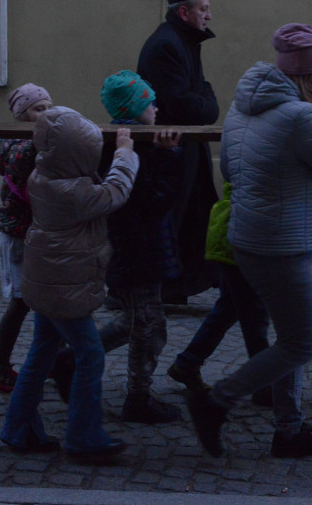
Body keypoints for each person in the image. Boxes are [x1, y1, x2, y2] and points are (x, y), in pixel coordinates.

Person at [186, 23, 312, 458]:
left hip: (248, 235)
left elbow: (231, 171)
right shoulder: (302, 116)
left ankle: (290, 429)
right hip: (280, 243)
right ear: (305, 76)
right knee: (300, 343)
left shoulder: (243, 109)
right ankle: (216, 402)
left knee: (289, 337)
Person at [0, 106, 137, 462]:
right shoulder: (73, 192)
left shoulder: (42, 175)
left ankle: (18, 428)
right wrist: (124, 151)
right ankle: (83, 437)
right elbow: (116, 191)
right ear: (76, 154)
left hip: (47, 280)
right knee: (90, 355)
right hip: (64, 284)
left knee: (41, 353)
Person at [94, 70, 185, 423]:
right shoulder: (131, 149)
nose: (157, 109)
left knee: (137, 318)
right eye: (149, 103)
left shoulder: (129, 145)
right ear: (134, 110)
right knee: (148, 324)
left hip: (139, 248)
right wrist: (170, 157)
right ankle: (138, 396)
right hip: (137, 251)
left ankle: (73, 357)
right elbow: (155, 201)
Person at [136, 0, 220, 303]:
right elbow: (190, 105)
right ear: (184, 12)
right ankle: (153, 287)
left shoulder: (181, 40)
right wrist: (207, 103)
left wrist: (204, 100)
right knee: (171, 220)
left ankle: (175, 286)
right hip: (168, 150)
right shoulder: (166, 46)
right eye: (203, 9)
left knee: (191, 218)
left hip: (185, 147)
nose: (209, 15)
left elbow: (200, 93)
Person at [166, 181, 273, 408]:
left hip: (234, 231)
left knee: (231, 307)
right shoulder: (255, 149)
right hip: (242, 234)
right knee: (254, 314)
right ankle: (264, 386)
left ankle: (187, 363)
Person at [0, 83, 54, 392]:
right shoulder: (19, 146)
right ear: (22, 115)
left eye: (50, 108)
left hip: (32, 231)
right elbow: (22, 163)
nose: (46, 115)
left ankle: (50, 358)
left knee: (47, 300)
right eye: (39, 109)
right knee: (21, 302)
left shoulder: (29, 141)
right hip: (18, 234)